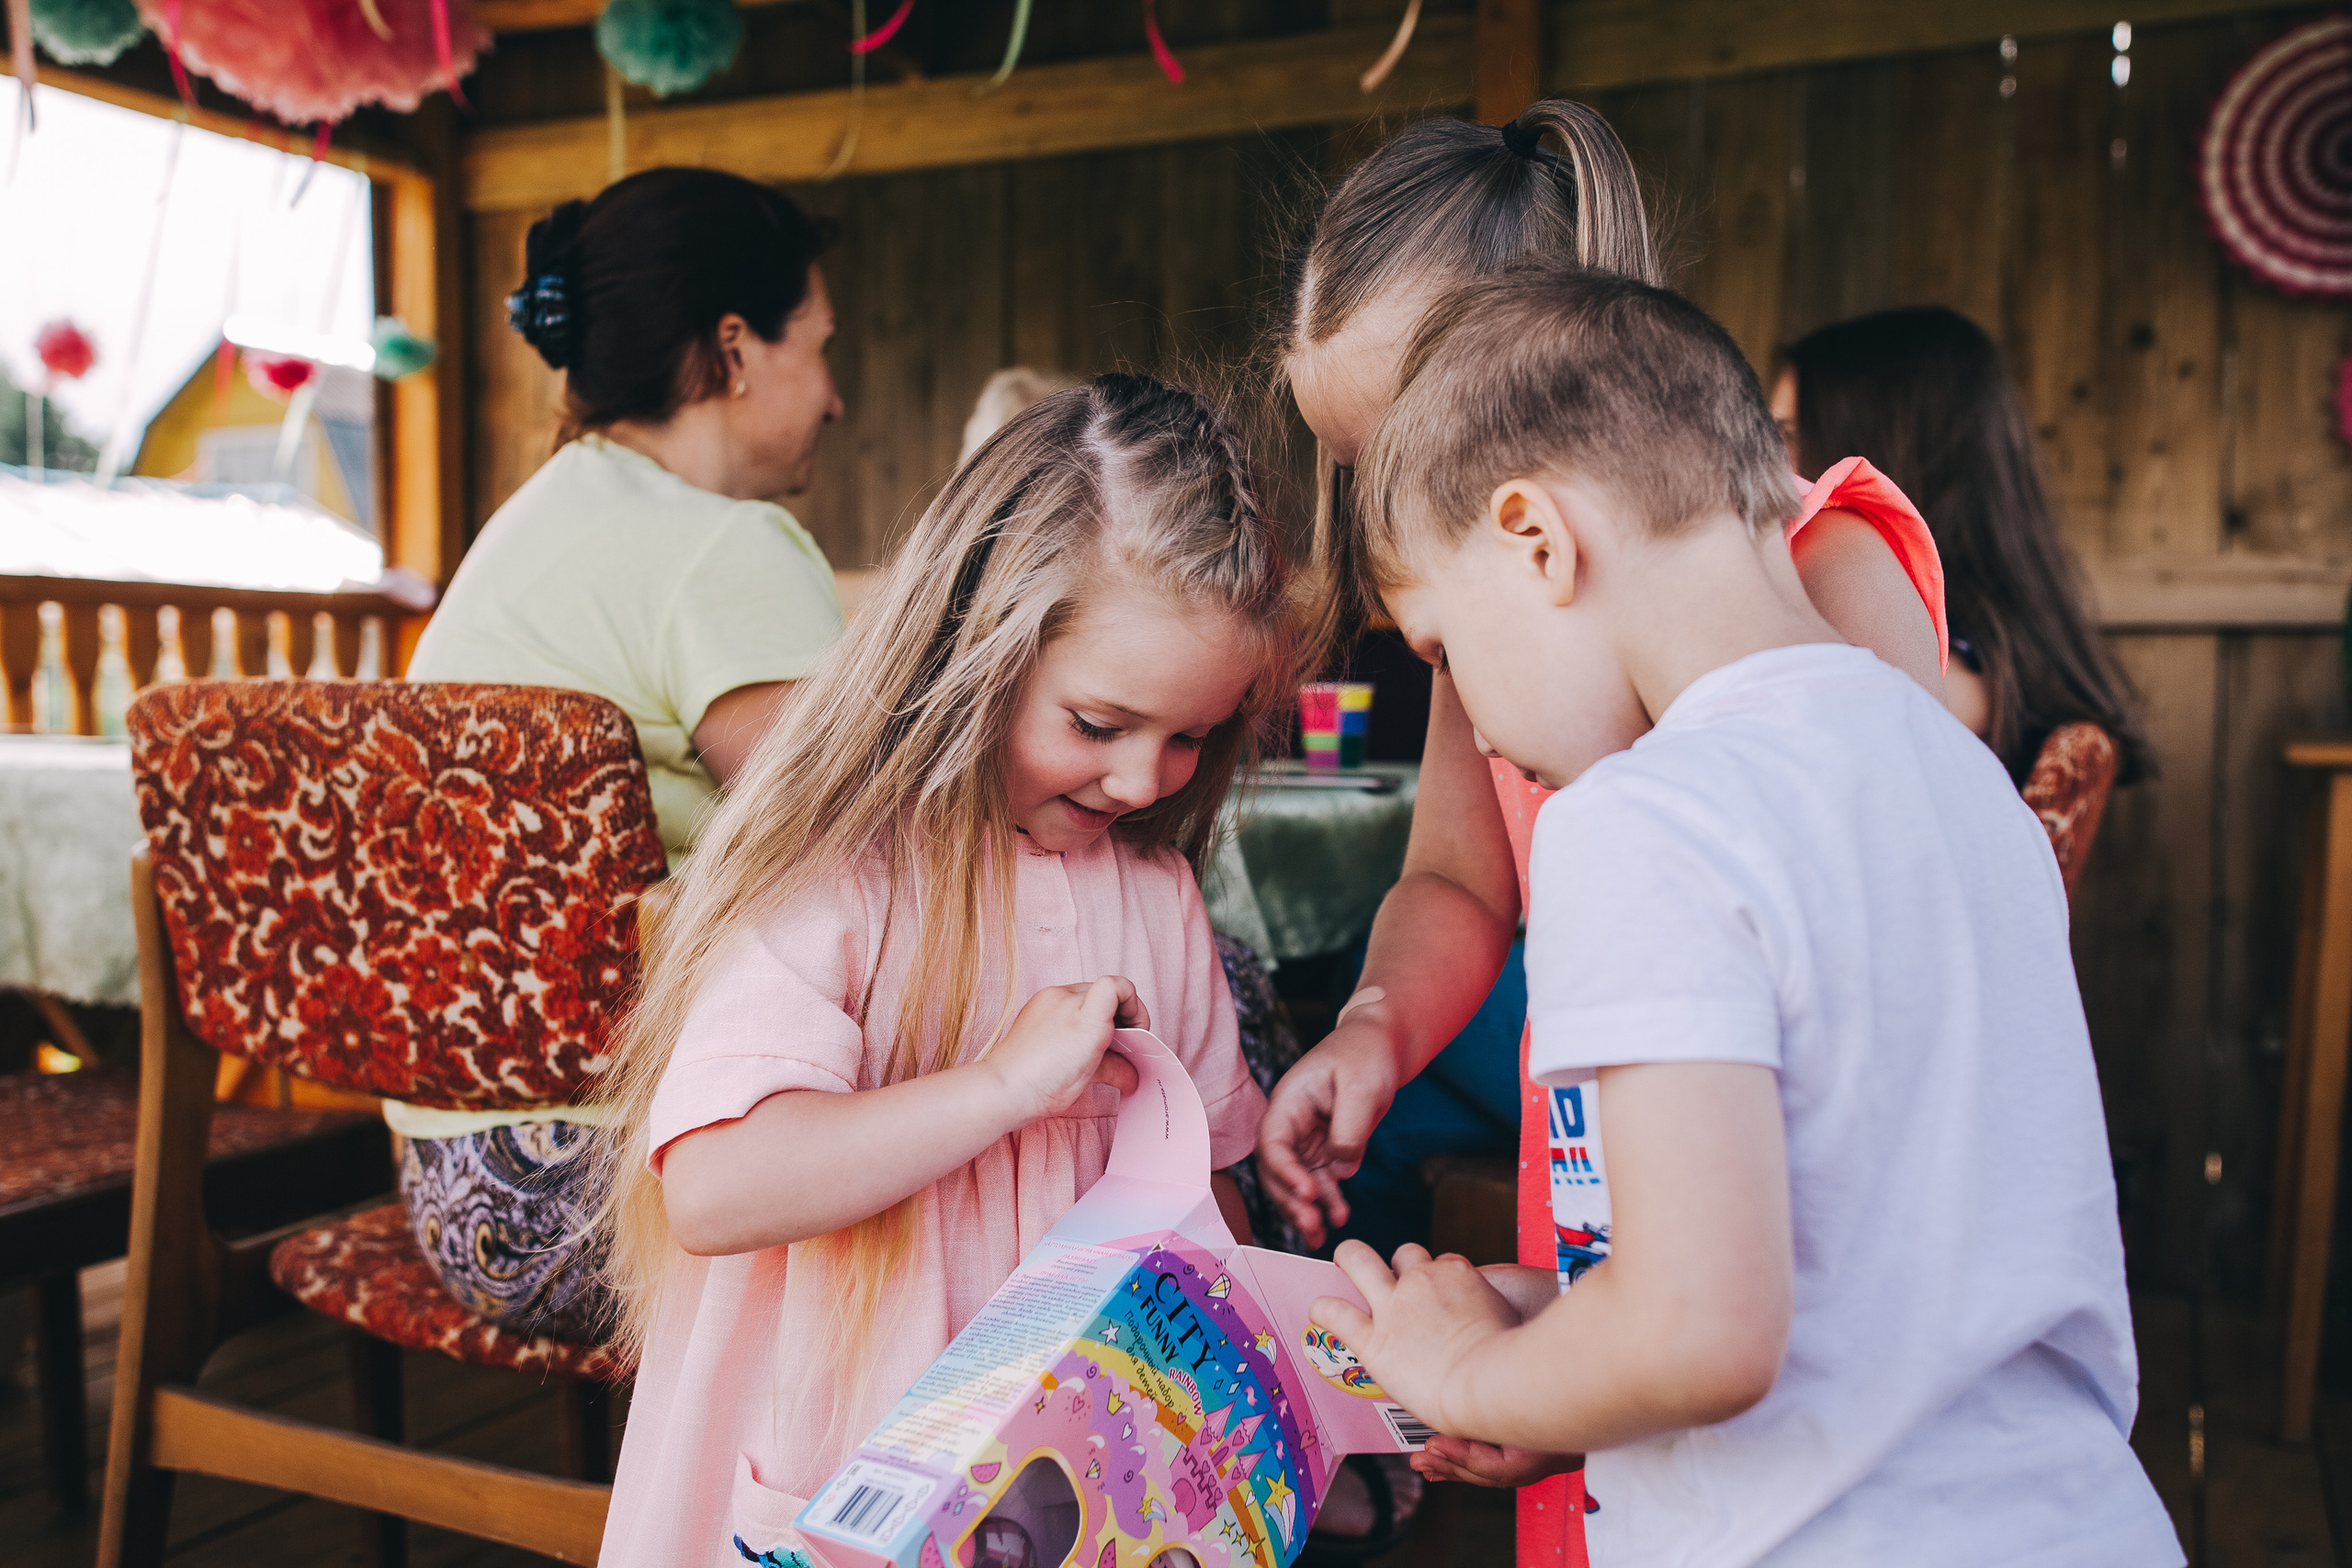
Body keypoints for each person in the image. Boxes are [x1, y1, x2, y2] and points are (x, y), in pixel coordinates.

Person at [1307, 263, 2177, 1565]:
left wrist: (1459, 1376)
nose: (1474, 723)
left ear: (1537, 538)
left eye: (1442, 651)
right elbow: (1864, 1254)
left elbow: (1703, 1330)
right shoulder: (1959, 777)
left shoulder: (1640, 817)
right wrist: (1546, 1328)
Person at [1254, 100, 1948, 1562]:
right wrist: (1380, 1022)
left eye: (1404, 455)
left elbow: (1771, 1236)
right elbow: (1455, 872)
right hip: (1657, 1280)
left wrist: (1495, 1360)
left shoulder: (1769, 667)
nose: (1394, 528)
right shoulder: (1510, 646)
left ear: (1531, 506)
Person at [592, 374, 1296, 1567]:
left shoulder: (1160, 898)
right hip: (844, 1452)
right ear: (979, 641)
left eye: (1190, 734)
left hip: (1078, 1484)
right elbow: (713, 1187)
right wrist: (1002, 1088)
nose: (1143, 779)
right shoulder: (845, 875)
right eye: (1098, 722)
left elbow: (1202, 1196)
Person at [391, 167, 846, 1338]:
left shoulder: (536, 523)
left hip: (459, 1189)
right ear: (736, 350)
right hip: (621, 1202)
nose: (836, 399)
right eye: (821, 349)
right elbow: (873, 834)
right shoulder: (726, 544)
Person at [1771, 307, 2153, 784]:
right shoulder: (1989, 660)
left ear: (1874, 450)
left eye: (1785, 435)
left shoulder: (1950, 683)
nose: (1768, 463)